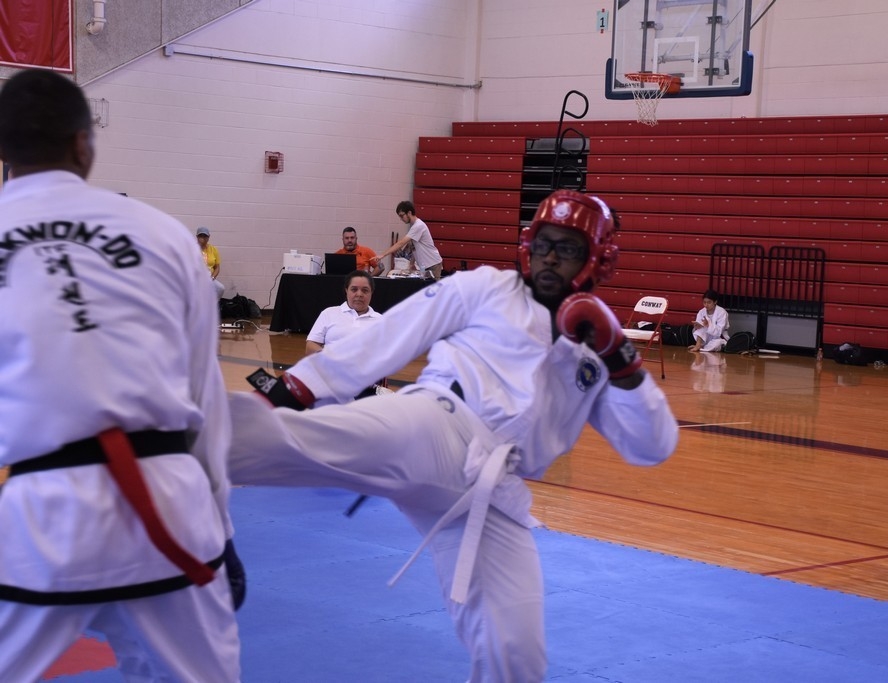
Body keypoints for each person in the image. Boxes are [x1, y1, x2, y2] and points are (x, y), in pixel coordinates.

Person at [233, 189, 678, 682]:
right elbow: (388, 336)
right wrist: (289, 391)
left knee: (518, 657)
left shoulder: (598, 353)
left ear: (597, 259)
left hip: (494, 492)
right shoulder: (485, 288)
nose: (551, 257)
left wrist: (620, 356)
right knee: (297, 440)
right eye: (545, 243)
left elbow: (652, 445)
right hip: (436, 424)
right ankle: (177, 445)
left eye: (568, 248)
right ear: (528, 244)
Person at [0, 69, 243, 682]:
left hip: (44, 518)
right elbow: (204, 395)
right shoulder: (164, 234)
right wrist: (221, 524)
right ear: (84, 143)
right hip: (172, 505)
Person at [305, 270, 382, 356]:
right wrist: (331, 358)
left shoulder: (382, 320)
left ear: (371, 292)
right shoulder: (329, 313)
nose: (359, 294)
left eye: (365, 290)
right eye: (354, 289)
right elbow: (310, 347)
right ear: (346, 290)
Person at [372, 201, 443, 279]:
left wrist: (382, 255)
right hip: (425, 266)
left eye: (402, 216)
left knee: (433, 286)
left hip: (432, 264)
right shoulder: (413, 226)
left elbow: (401, 243)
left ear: (409, 213)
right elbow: (414, 247)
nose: (401, 219)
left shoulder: (418, 226)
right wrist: (411, 264)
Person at [196, 226, 226, 298]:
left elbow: (217, 267)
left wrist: (212, 278)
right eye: (200, 236)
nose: (203, 238)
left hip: (209, 278)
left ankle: (213, 303)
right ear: (197, 237)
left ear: (208, 237)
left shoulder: (213, 249)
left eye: (205, 236)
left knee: (220, 288)